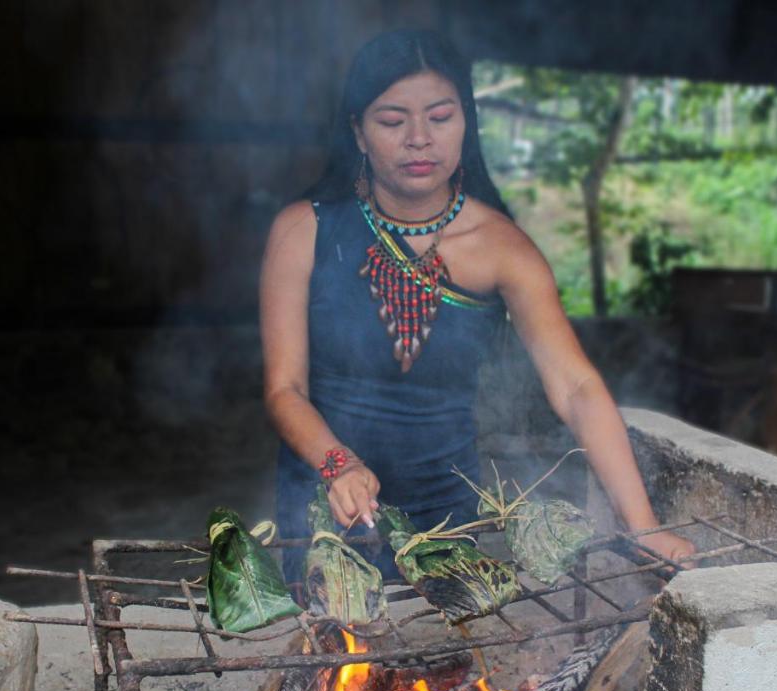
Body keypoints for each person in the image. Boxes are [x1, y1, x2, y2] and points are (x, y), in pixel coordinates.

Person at [260, 30, 695, 588]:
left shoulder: (503, 247)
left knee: (442, 667)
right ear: (358, 133)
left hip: (445, 508)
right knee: (332, 659)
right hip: (325, 499)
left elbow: (577, 387)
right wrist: (338, 463)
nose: (419, 139)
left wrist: (644, 526)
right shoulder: (303, 231)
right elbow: (283, 390)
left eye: (440, 117)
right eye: (393, 122)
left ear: (466, 121)